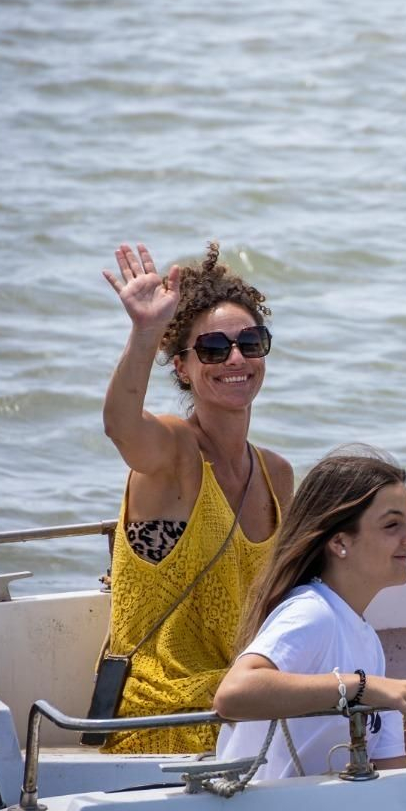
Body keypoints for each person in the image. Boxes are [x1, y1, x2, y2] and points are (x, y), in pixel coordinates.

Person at [98, 241, 294, 754]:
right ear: (183, 367)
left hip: (247, 702)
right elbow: (121, 427)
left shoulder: (277, 474)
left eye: (250, 343)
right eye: (212, 349)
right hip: (165, 712)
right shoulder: (173, 455)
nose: (235, 358)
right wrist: (144, 333)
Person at [214, 448, 406, 777]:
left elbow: (394, 773)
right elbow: (233, 695)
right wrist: (360, 687)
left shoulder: (368, 641)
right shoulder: (311, 613)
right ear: (339, 543)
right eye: (392, 525)